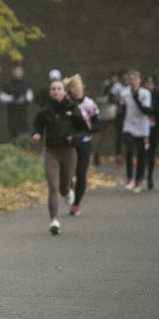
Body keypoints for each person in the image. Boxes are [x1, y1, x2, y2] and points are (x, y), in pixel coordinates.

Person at [32, 79, 89, 235]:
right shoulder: (46, 111)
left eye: (59, 88)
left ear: (65, 92)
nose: (56, 91)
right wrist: (36, 134)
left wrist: (74, 137)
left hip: (69, 152)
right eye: (53, 89)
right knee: (53, 187)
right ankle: (54, 220)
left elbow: (84, 130)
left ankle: (68, 192)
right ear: (50, 92)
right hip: (52, 151)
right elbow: (37, 125)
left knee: (64, 187)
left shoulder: (73, 108)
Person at [64, 74, 100, 216]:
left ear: (83, 87)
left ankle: (76, 204)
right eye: (73, 88)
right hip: (69, 142)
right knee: (67, 172)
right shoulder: (65, 103)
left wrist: (90, 127)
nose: (76, 90)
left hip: (84, 142)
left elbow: (98, 125)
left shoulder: (90, 104)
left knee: (81, 173)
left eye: (78, 86)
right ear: (70, 90)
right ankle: (68, 189)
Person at [119, 70, 152, 193]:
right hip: (129, 126)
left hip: (143, 128)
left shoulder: (145, 93)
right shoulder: (124, 93)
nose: (132, 81)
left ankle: (138, 180)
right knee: (128, 150)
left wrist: (136, 98)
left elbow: (146, 111)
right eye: (130, 79)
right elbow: (122, 107)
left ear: (139, 80)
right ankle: (129, 178)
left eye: (134, 79)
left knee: (141, 155)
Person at [0, 65, 34, 140]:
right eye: (16, 72)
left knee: (24, 126)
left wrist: (24, 100)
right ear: (13, 73)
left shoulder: (26, 83)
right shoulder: (7, 84)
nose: (18, 74)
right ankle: (13, 142)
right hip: (11, 109)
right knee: (12, 127)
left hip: (22, 109)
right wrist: (12, 98)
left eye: (19, 72)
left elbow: (29, 95)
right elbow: (2, 97)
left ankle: (25, 142)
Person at [143, 75, 159, 190]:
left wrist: (152, 112)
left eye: (150, 84)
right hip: (141, 129)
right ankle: (140, 174)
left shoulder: (158, 96)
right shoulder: (140, 95)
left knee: (151, 153)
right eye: (146, 84)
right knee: (142, 152)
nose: (148, 86)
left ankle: (150, 177)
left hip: (153, 128)